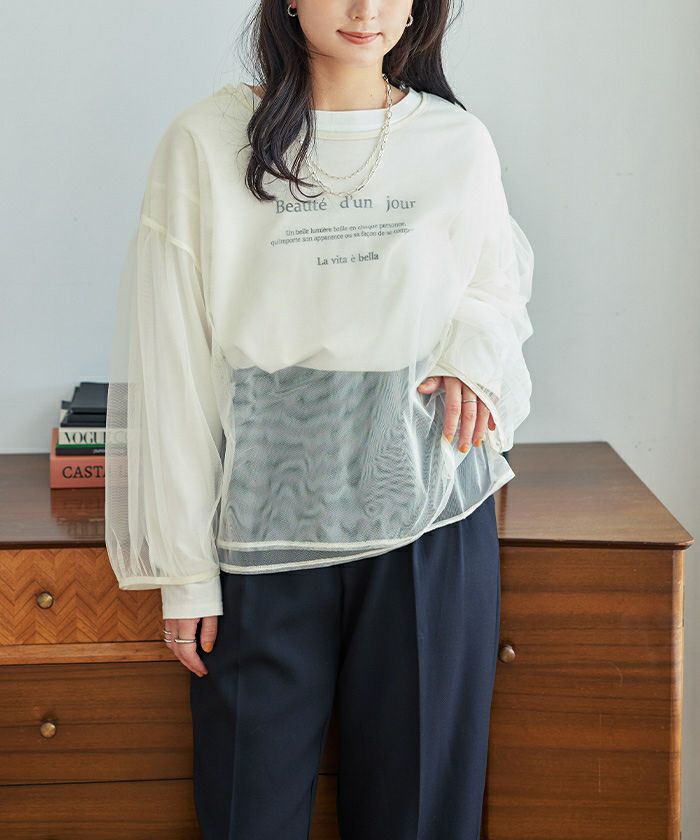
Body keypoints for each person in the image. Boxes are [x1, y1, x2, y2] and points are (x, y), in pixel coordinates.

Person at [104, 1, 535, 837]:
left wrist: (471, 358)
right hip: (264, 524)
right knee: (248, 814)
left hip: (428, 517)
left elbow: (495, 288)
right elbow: (174, 361)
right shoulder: (205, 142)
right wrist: (184, 571)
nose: (366, 10)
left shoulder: (456, 142)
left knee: (420, 816)